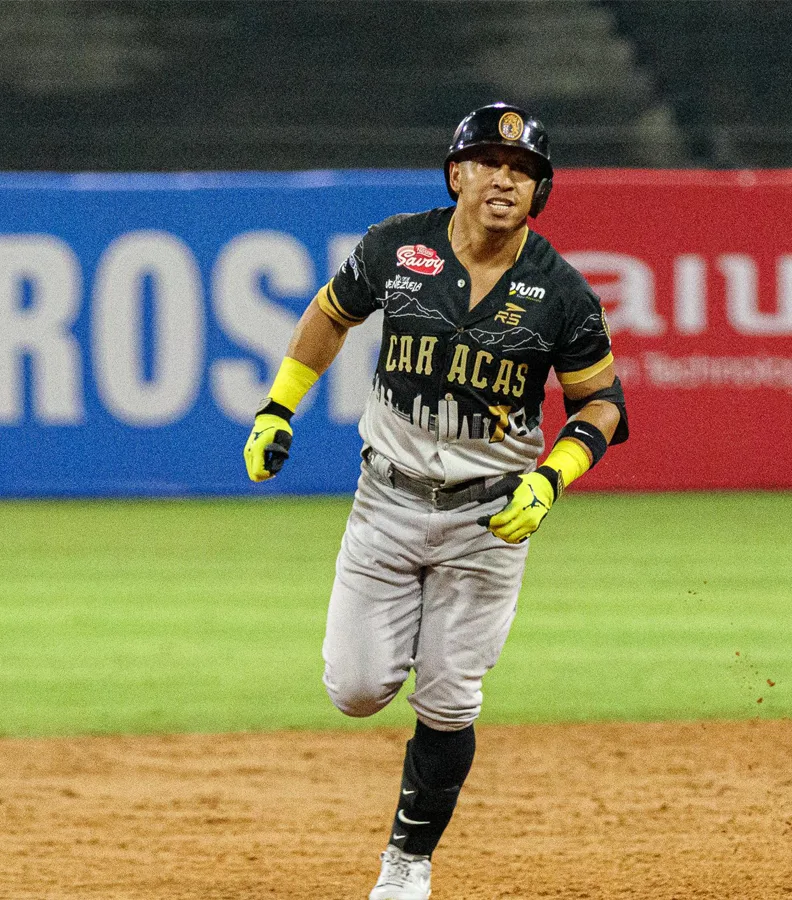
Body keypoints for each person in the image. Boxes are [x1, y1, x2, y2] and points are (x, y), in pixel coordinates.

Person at [243, 102, 628, 900]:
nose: (503, 179)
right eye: (488, 162)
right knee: (354, 690)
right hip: (385, 500)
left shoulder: (560, 293)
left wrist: (550, 477)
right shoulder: (398, 247)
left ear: (540, 192)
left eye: (522, 171)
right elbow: (329, 313)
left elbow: (603, 405)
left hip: (490, 516)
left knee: (450, 699)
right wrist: (277, 406)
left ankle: (407, 862)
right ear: (456, 174)